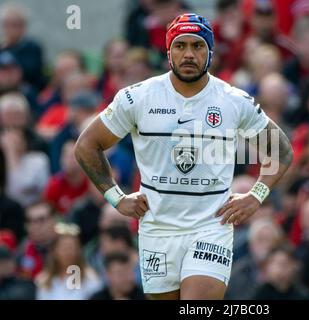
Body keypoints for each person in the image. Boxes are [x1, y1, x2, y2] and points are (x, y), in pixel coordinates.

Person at [75, 13, 293, 300]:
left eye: (197, 46)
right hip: (157, 228)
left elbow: (281, 150)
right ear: (168, 52)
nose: (188, 54)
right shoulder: (138, 97)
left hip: (210, 227)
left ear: (210, 52)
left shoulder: (233, 101)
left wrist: (256, 195)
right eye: (180, 46)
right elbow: (87, 145)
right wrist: (117, 197)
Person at [35, 223, 101, 300]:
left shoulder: (90, 278)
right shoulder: (44, 279)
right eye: (64, 248)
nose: (68, 252)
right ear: (54, 251)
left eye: (72, 248)